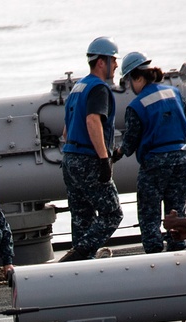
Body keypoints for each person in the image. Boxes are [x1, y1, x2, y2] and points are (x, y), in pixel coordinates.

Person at [114, 52, 186, 252]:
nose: (129, 88)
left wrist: (116, 152)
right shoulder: (174, 93)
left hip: (154, 165)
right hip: (182, 160)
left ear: (137, 77)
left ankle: (154, 259)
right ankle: (177, 254)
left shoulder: (136, 105)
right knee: (176, 214)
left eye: (128, 82)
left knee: (149, 217)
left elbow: (130, 143)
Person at [59, 37, 123, 261]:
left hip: (70, 159)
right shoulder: (99, 88)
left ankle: (79, 271)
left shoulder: (77, 88)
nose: (116, 65)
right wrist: (104, 158)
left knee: (82, 217)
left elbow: (67, 131)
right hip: (88, 159)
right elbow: (92, 121)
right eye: (113, 60)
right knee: (113, 213)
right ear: (102, 62)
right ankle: (78, 255)